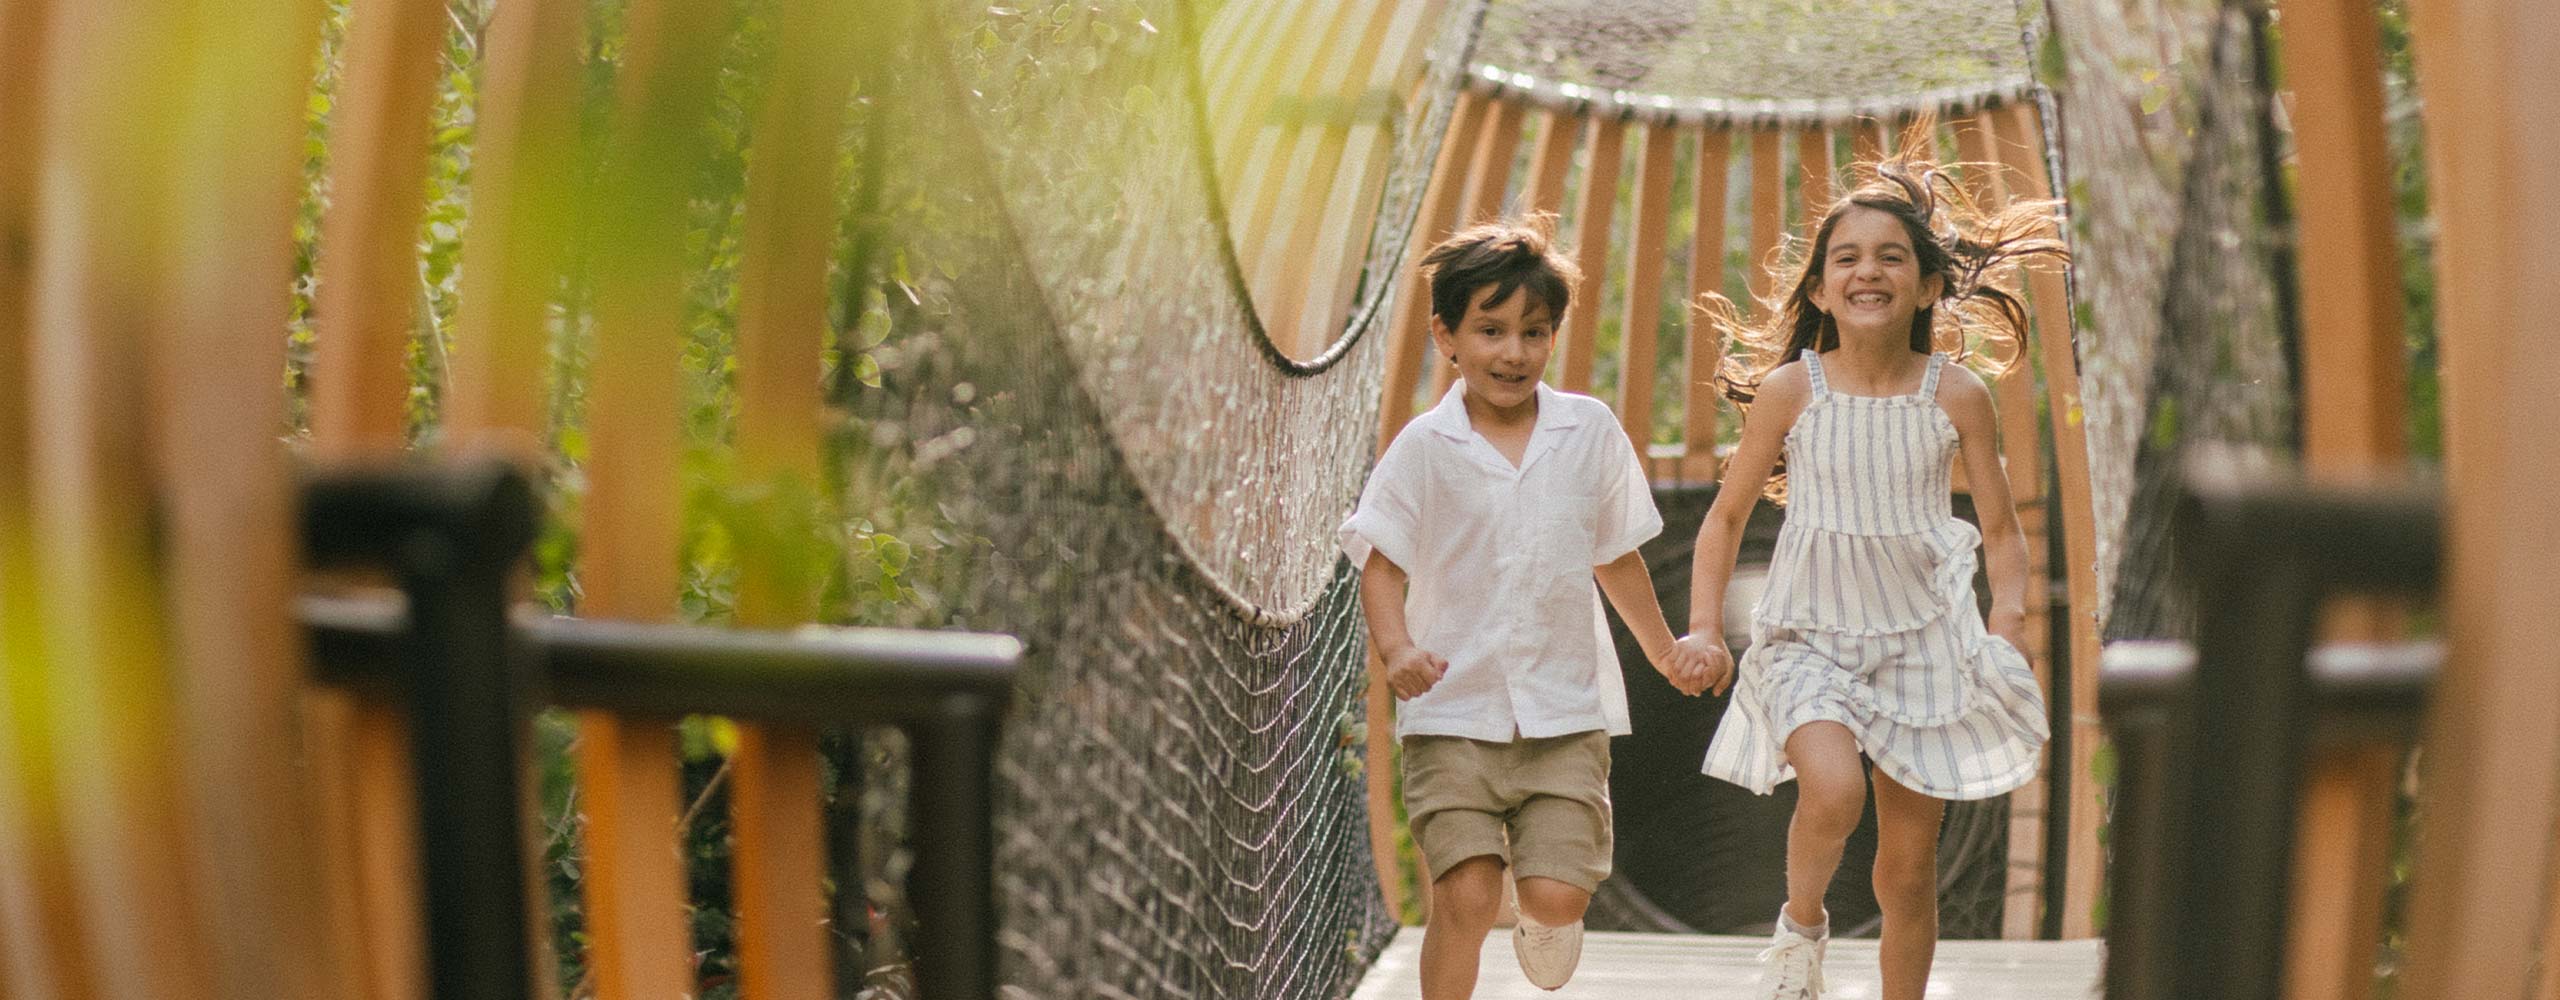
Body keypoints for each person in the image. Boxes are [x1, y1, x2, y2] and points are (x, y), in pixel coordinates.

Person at [1680, 156, 2064, 1000]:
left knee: (1907, 873)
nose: (1868, 270)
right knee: (1830, 787)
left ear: (1928, 287)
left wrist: (2008, 624)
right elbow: (1724, 519)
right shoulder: (1791, 392)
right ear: (1819, 290)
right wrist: (1706, 626)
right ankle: (1802, 925)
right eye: (1846, 257)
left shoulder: (1958, 394)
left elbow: (2000, 528)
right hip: (1809, 633)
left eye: (1891, 255)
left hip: (1924, 639)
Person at [1342, 221, 1718, 998]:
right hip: (1454, 713)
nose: (1512, 352)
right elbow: (1381, 564)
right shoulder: (1424, 447)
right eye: (1490, 330)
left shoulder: (1589, 433)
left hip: (1562, 715)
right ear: (1447, 335)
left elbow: (1614, 554)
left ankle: (1548, 914)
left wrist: (1662, 649)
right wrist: (1398, 649)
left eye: (1533, 332)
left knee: (1556, 894)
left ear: (1553, 337)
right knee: (1467, 895)